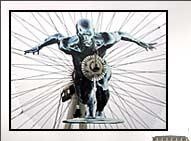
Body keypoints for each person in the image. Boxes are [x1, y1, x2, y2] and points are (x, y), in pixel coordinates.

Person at [24, 18, 156, 118]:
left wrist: (139, 42)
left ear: (93, 32)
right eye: (83, 35)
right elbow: (56, 37)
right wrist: (39, 46)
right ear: (78, 34)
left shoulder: (104, 39)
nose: (87, 38)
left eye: (89, 34)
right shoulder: (69, 45)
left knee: (102, 84)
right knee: (85, 98)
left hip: (101, 68)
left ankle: (100, 111)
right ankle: (91, 106)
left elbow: (121, 34)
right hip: (81, 74)